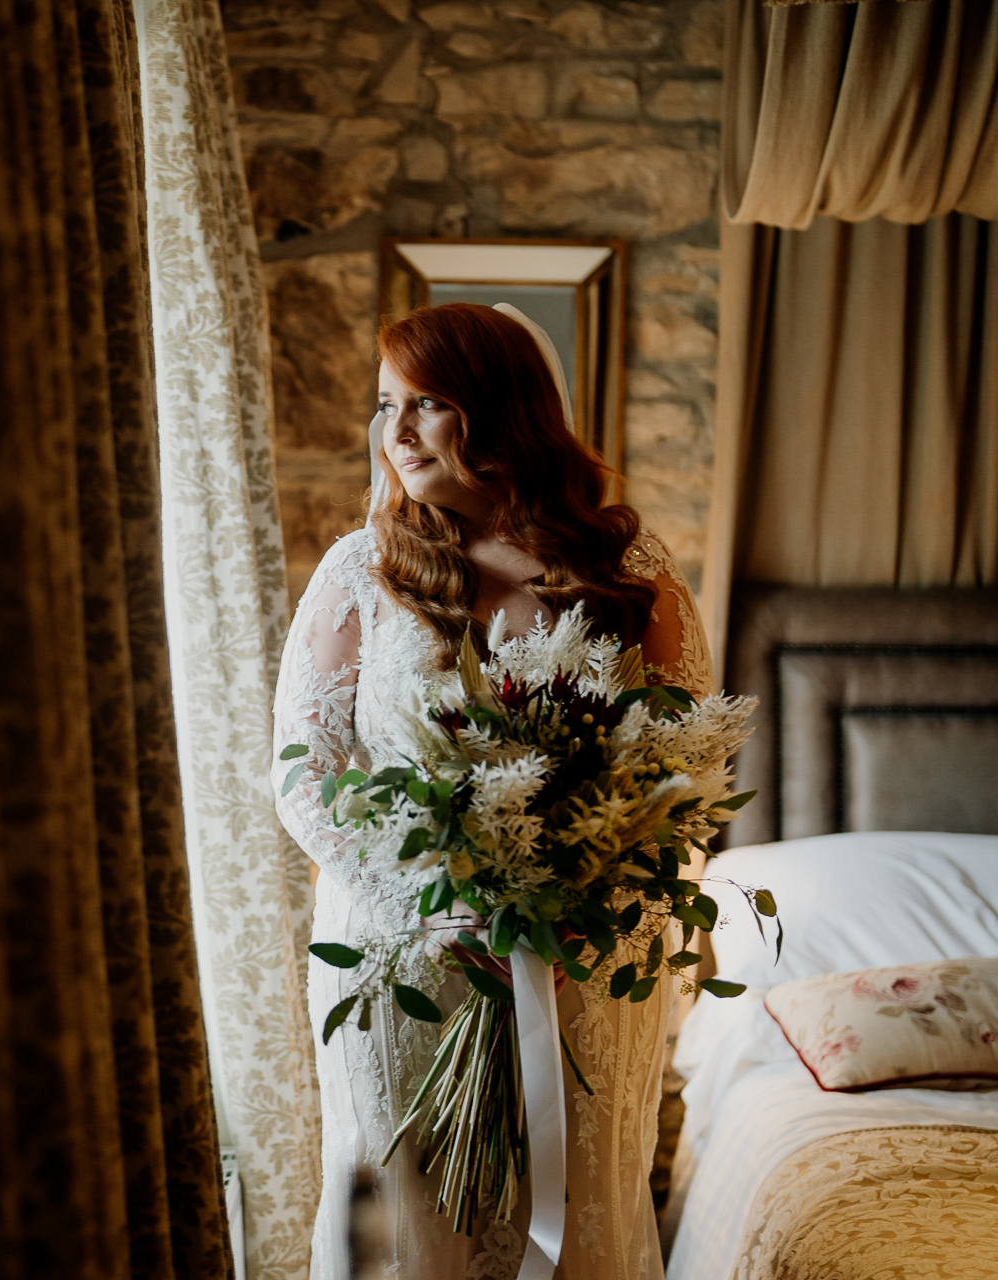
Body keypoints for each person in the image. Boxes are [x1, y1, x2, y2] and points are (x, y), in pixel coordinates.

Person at [273, 303, 711, 1280]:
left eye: (427, 403)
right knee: (407, 1224)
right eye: (387, 405)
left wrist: (583, 912)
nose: (396, 430)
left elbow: (684, 776)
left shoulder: (628, 573)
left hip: (582, 966)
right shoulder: (362, 569)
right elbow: (304, 774)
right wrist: (443, 904)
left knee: (574, 1217)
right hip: (401, 964)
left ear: (502, 410)